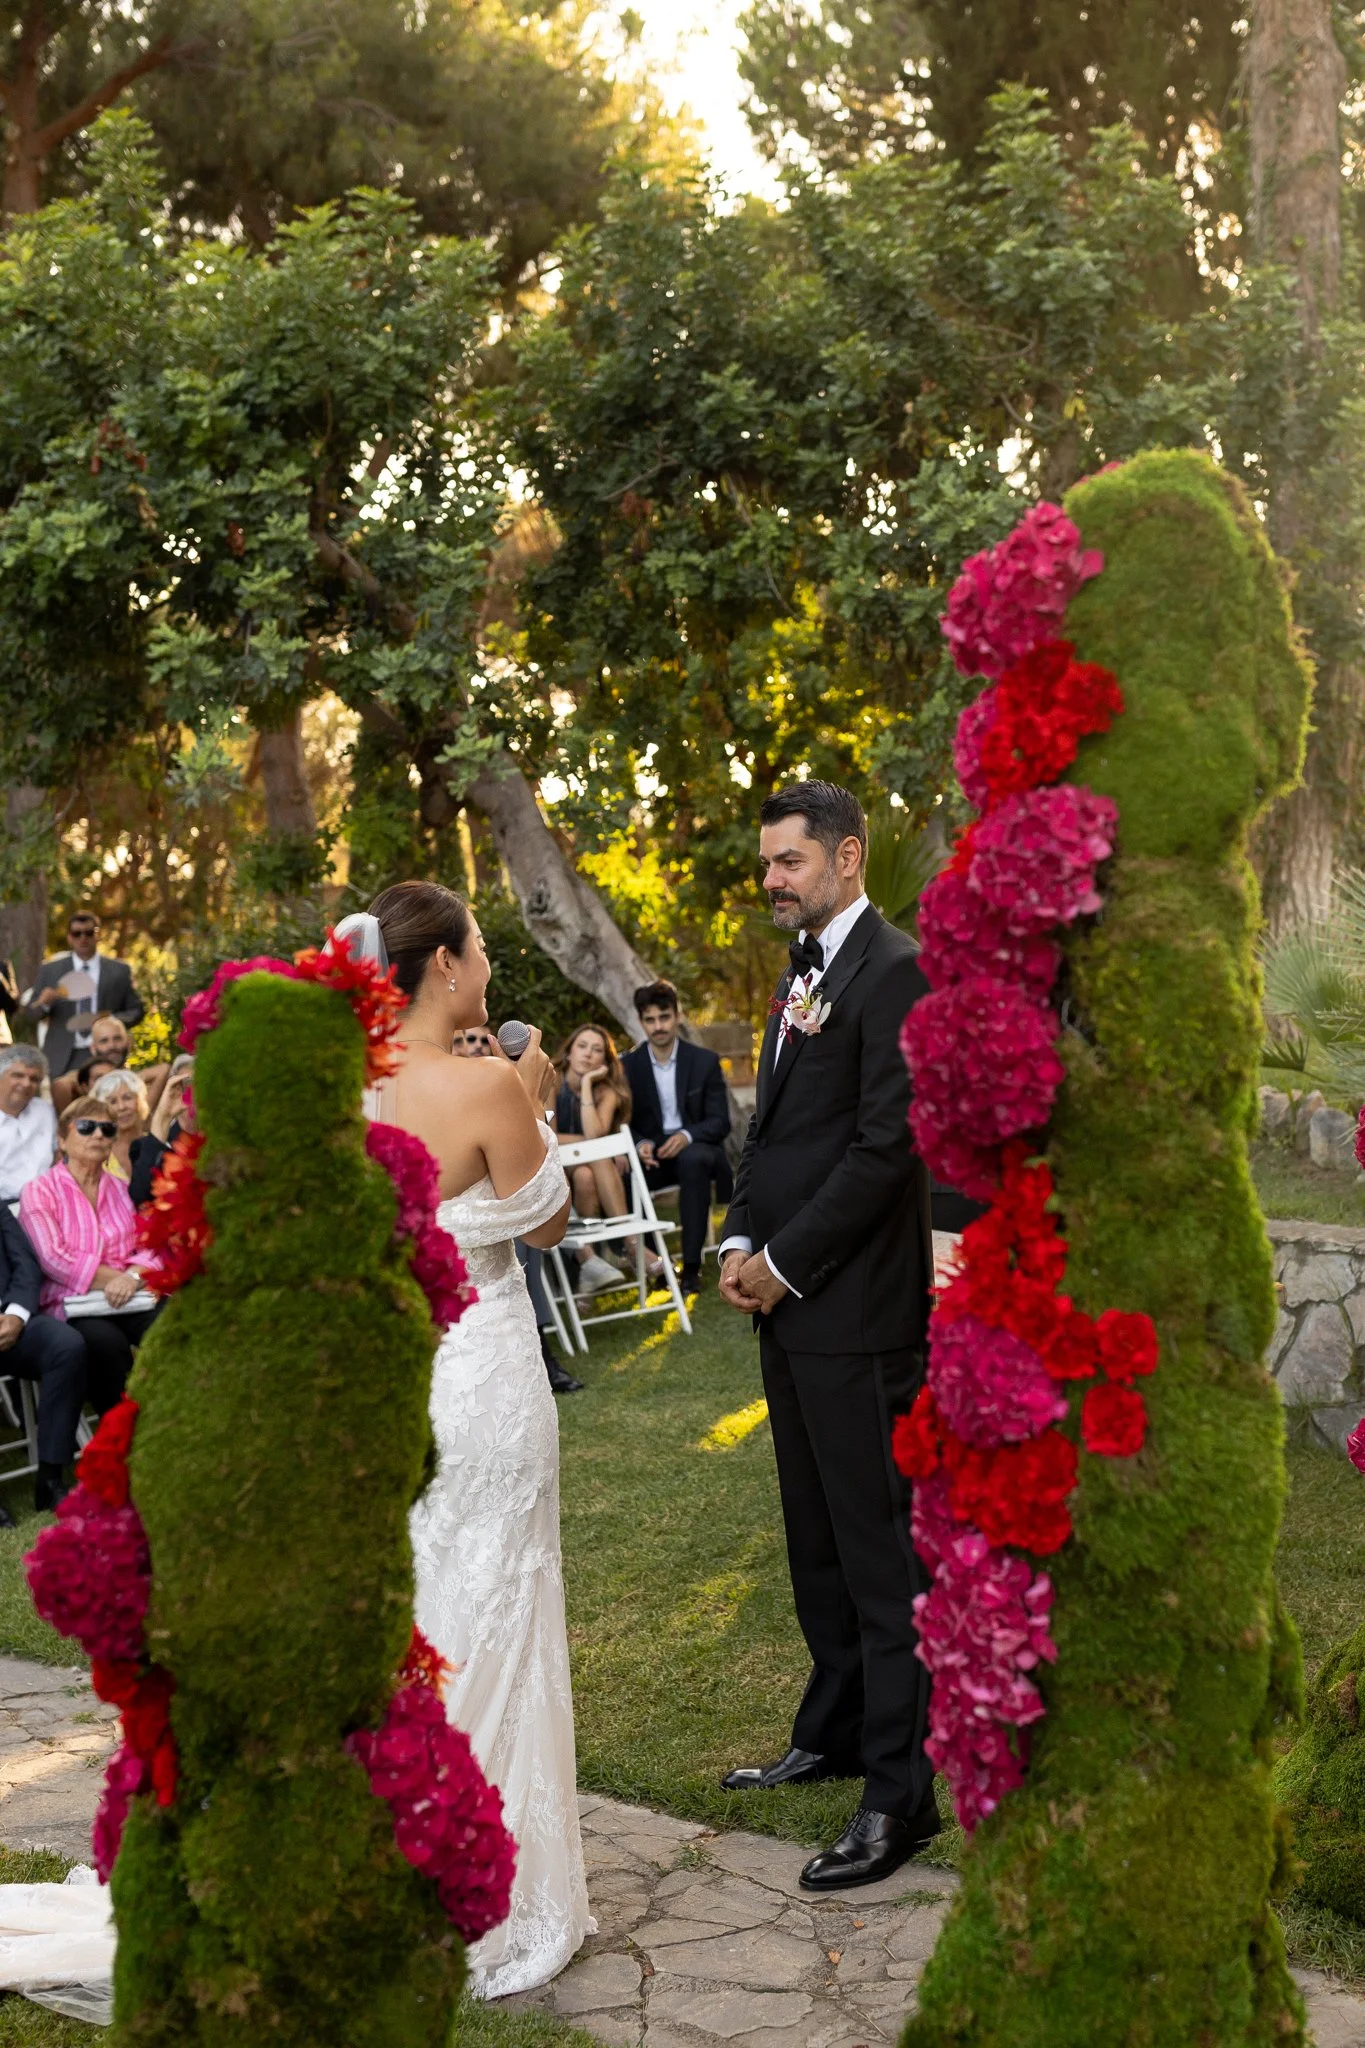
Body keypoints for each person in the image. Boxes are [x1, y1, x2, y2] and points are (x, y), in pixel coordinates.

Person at [346, 886, 593, 1996]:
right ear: (445, 964)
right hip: (487, 1376)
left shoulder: (347, 1089)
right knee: (502, 1601)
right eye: (482, 944)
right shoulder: (492, 1079)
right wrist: (536, 1093)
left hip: (401, 1380)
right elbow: (548, 1218)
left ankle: (400, 1844)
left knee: (426, 1607)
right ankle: (489, 1879)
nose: (489, 959)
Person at [717, 779, 938, 1892]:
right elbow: (773, 1127)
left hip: (856, 1314)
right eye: (768, 863)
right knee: (815, 1542)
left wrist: (787, 1260)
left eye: (788, 862)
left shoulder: (893, 969)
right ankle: (836, 1726)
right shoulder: (803, 970)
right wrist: (736, 1236)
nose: (771, 880)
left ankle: (901, 1794)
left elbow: (884, 1147)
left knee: (879, 1552)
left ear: (848, 857)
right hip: (789, 1308)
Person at [451, 1028, 581, 1394]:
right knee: (524, 1236)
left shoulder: (506, 1084)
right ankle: (541, 1346)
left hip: (513, 1210)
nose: (475, 1046)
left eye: (480, 1039)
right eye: (465, 1040)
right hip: (480, 1222)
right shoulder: (452, 1095)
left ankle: (539, 1343)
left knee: (524, 1241)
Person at [19, 1098, 161, 1419]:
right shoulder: (40, 1190)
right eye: (86, 1127)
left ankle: (175, 1416)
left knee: (173, 1322)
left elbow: (151, 1243)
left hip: (131, 1298)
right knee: (104, 1344)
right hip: (74, 1303)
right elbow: (53, 1257)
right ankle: (123, 1434)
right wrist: (122, 1280)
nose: (98, 1134)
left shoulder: (122, 1189)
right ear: (62, 1140)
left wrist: (134, 1278)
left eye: (107, 1129)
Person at [622, 981, 734, 1291]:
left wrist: (687, 1135)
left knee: (693, 1161)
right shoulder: (628, 1066)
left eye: (664, 1017)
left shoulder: (704, 1061)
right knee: (623, 1171)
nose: (658, 1026)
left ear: (678, 1016)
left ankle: (691, 1267)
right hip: (653, 1155)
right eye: (650, 1019)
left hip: (697, 1150)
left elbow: (720, 1122)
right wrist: (640, 1144)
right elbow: (621, 1122)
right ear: (641, 1022)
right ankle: (655, 1264)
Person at [0, 1203, 89, 1520]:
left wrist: (15, 1314)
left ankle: (50, 1478)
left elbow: (25, 1263)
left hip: (11, 1322)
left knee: (67, 1345)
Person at [556, 1023, 652, 1296]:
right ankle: (631, 1245)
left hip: (589, 1171)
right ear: (569, 1052)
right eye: (582, 1046)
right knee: (597, 1156)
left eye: (596, 1050)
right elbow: (548, 1136)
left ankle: (595, 1265)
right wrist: (605, 1147)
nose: (587, 1054)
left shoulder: (607, 1090)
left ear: (604, 1061)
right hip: (555, 1167)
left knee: (588, 1173)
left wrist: (587, 1084)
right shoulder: (552, 1079)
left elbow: (596, 1133)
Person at [22, 915, 144, 1078]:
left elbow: (136, 1010)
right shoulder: (50, 970)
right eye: (77, 934)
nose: (83, 938)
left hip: (105, 1053)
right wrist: (44, 1004)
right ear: (69, 937)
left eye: (89, 933)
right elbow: (31, 1013)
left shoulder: (119, 971)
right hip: (62, 1055)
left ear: (98, 935)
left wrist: (109, 1021)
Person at [128, 1055, 194, 1208]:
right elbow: (140, 1196)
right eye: (185, 1084)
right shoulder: (148, 1146)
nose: (193, 1092)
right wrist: (163, 1118)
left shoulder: (226, 1139)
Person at [0, 1047, 56, 1205]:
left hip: (46, 1201)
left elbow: (57, 1154)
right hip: (5, 1207)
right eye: (18, 1076)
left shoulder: (44, 1111)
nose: (26, 1083)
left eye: (34, 1079)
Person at [51, 1014, 131, 1115]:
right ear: (93, 1048)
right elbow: (61, 1086)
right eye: (104, 1041)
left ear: (128, 1042)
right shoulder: (82, 1078)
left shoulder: (138, 1080)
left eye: (117, 1038)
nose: (112, 1046)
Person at [90, 1067, 150, 1183]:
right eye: (113, 1102)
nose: (122, 1107)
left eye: (127, 1098)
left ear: (140, 1101)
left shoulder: (155, 1144)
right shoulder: (96, 1151)